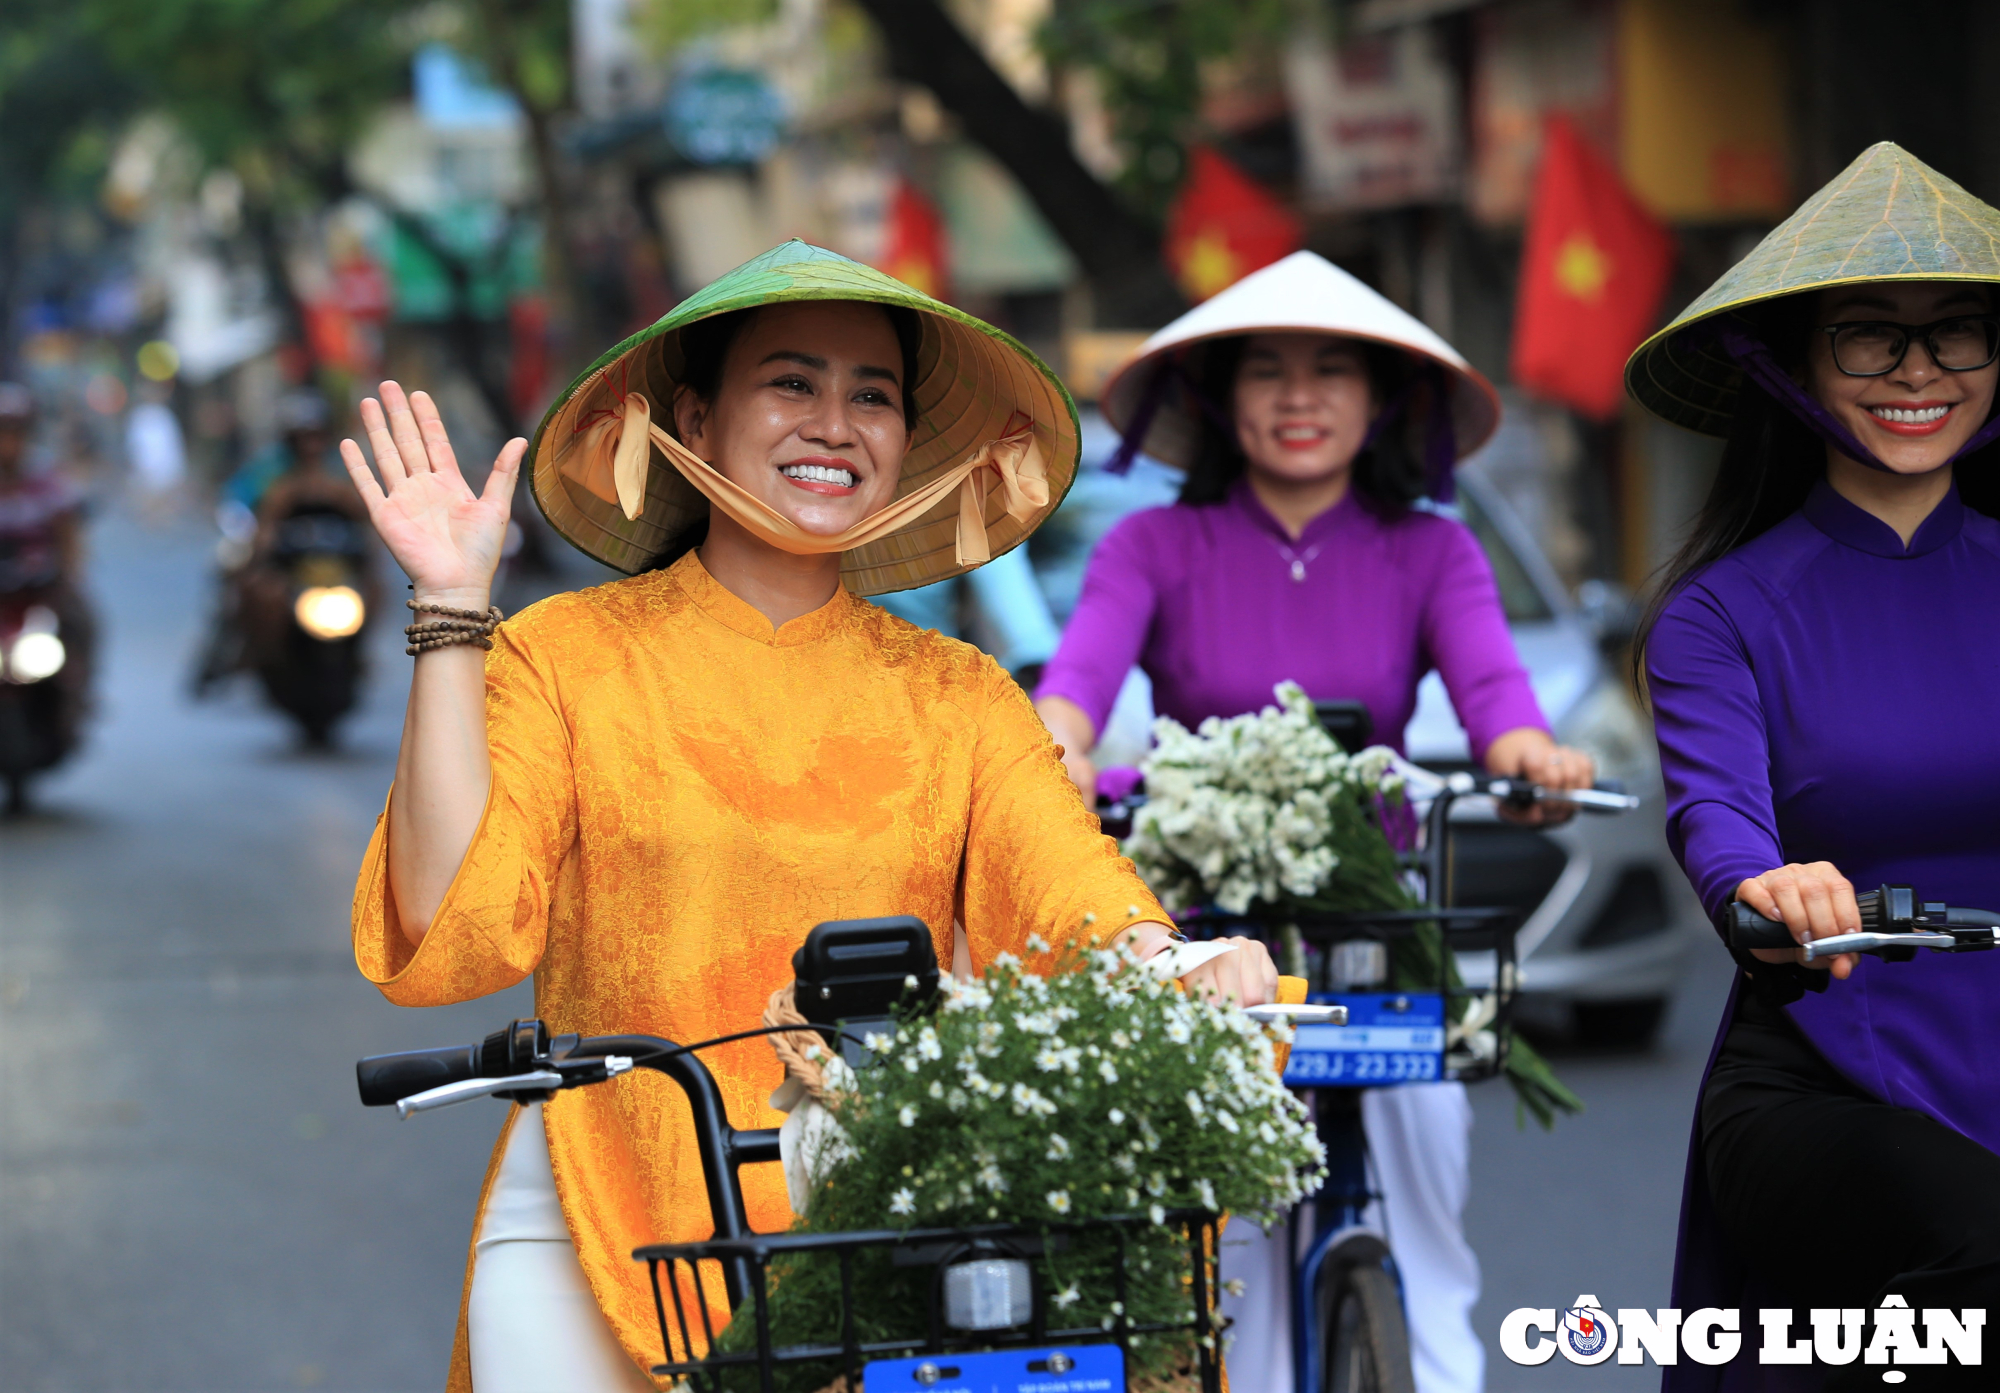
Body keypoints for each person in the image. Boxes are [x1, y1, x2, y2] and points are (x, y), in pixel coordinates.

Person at [338, 240, 1284, 1393]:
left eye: (871, 395)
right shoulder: (563, 657)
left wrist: (1176, 966)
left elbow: (1070, 894)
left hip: (888, 1208)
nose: (834, 423)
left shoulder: (957, 694)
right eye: (792, 383)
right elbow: (448, 926)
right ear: (695, 413)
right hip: (603, 1195)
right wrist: (450, 607)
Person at [1031, 251, 1599, 1393]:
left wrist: (1531, 756)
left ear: (1379, 397)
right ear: (1218, 397)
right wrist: (1056, 744)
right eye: (1267, 373)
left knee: (1426, 1150)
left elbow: (1497, 700)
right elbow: (1076, 685)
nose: (1299, 398)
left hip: (1377, 921)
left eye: (1331, 370)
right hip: (1199, 927)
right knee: (1217, 1224)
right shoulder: (1150, 545)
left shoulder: (1431, 546)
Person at [1631, 142, 2000, 1392]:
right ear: (1789, 367)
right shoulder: (1719, 614)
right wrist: (1765, 891)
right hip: (1825, 1070)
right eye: (1868, 337)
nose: (1916, 369)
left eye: (1957, 332)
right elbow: (1714, 813)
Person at [0, 382, 94, 740]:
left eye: (15, 432)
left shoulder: (47, 479)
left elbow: (70, 537)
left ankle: (77, 698)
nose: (8, 441)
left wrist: (69, 577)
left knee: (83, 620)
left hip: (39, 589)